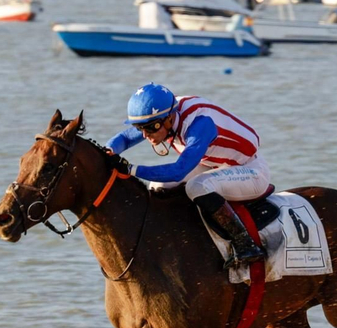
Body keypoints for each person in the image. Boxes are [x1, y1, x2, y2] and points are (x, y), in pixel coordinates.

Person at [105, 83, 269, 268]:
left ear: (168, 119)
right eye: (139, 127)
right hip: (212, 164)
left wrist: (131, 169)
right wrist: (107, 152)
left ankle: (245, 244)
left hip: (251, 170)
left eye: (150, 128)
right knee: (157, 186)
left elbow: (178, 171)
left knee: (196, 187)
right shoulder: (161, 113)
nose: (145, 135)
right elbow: (125, 138)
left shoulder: (200, 124)